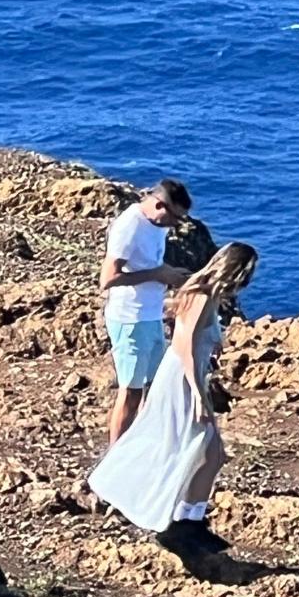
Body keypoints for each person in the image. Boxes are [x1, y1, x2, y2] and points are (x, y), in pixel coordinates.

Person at [89, 241, 258, 548]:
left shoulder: (202, 293)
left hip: (185, 375)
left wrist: (212, 344)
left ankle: (189, 520)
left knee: (205, 451)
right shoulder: (202, 296)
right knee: (209, 451)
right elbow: (185, 346)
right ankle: (185, 524)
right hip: (182, 379)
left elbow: (189, 334)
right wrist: (198, 394)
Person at [100, 179, 193, 444]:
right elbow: (108, 279)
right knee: (131, 391)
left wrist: (170, 275)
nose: (176, 225)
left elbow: (149, 262)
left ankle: (140, 445)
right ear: (159, 205)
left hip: (150, 316)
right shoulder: (130, 226)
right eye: (175, 218)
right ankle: (115, 455)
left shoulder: (157, 225)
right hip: (129, 318)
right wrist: (158, 274)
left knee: (154, 388)